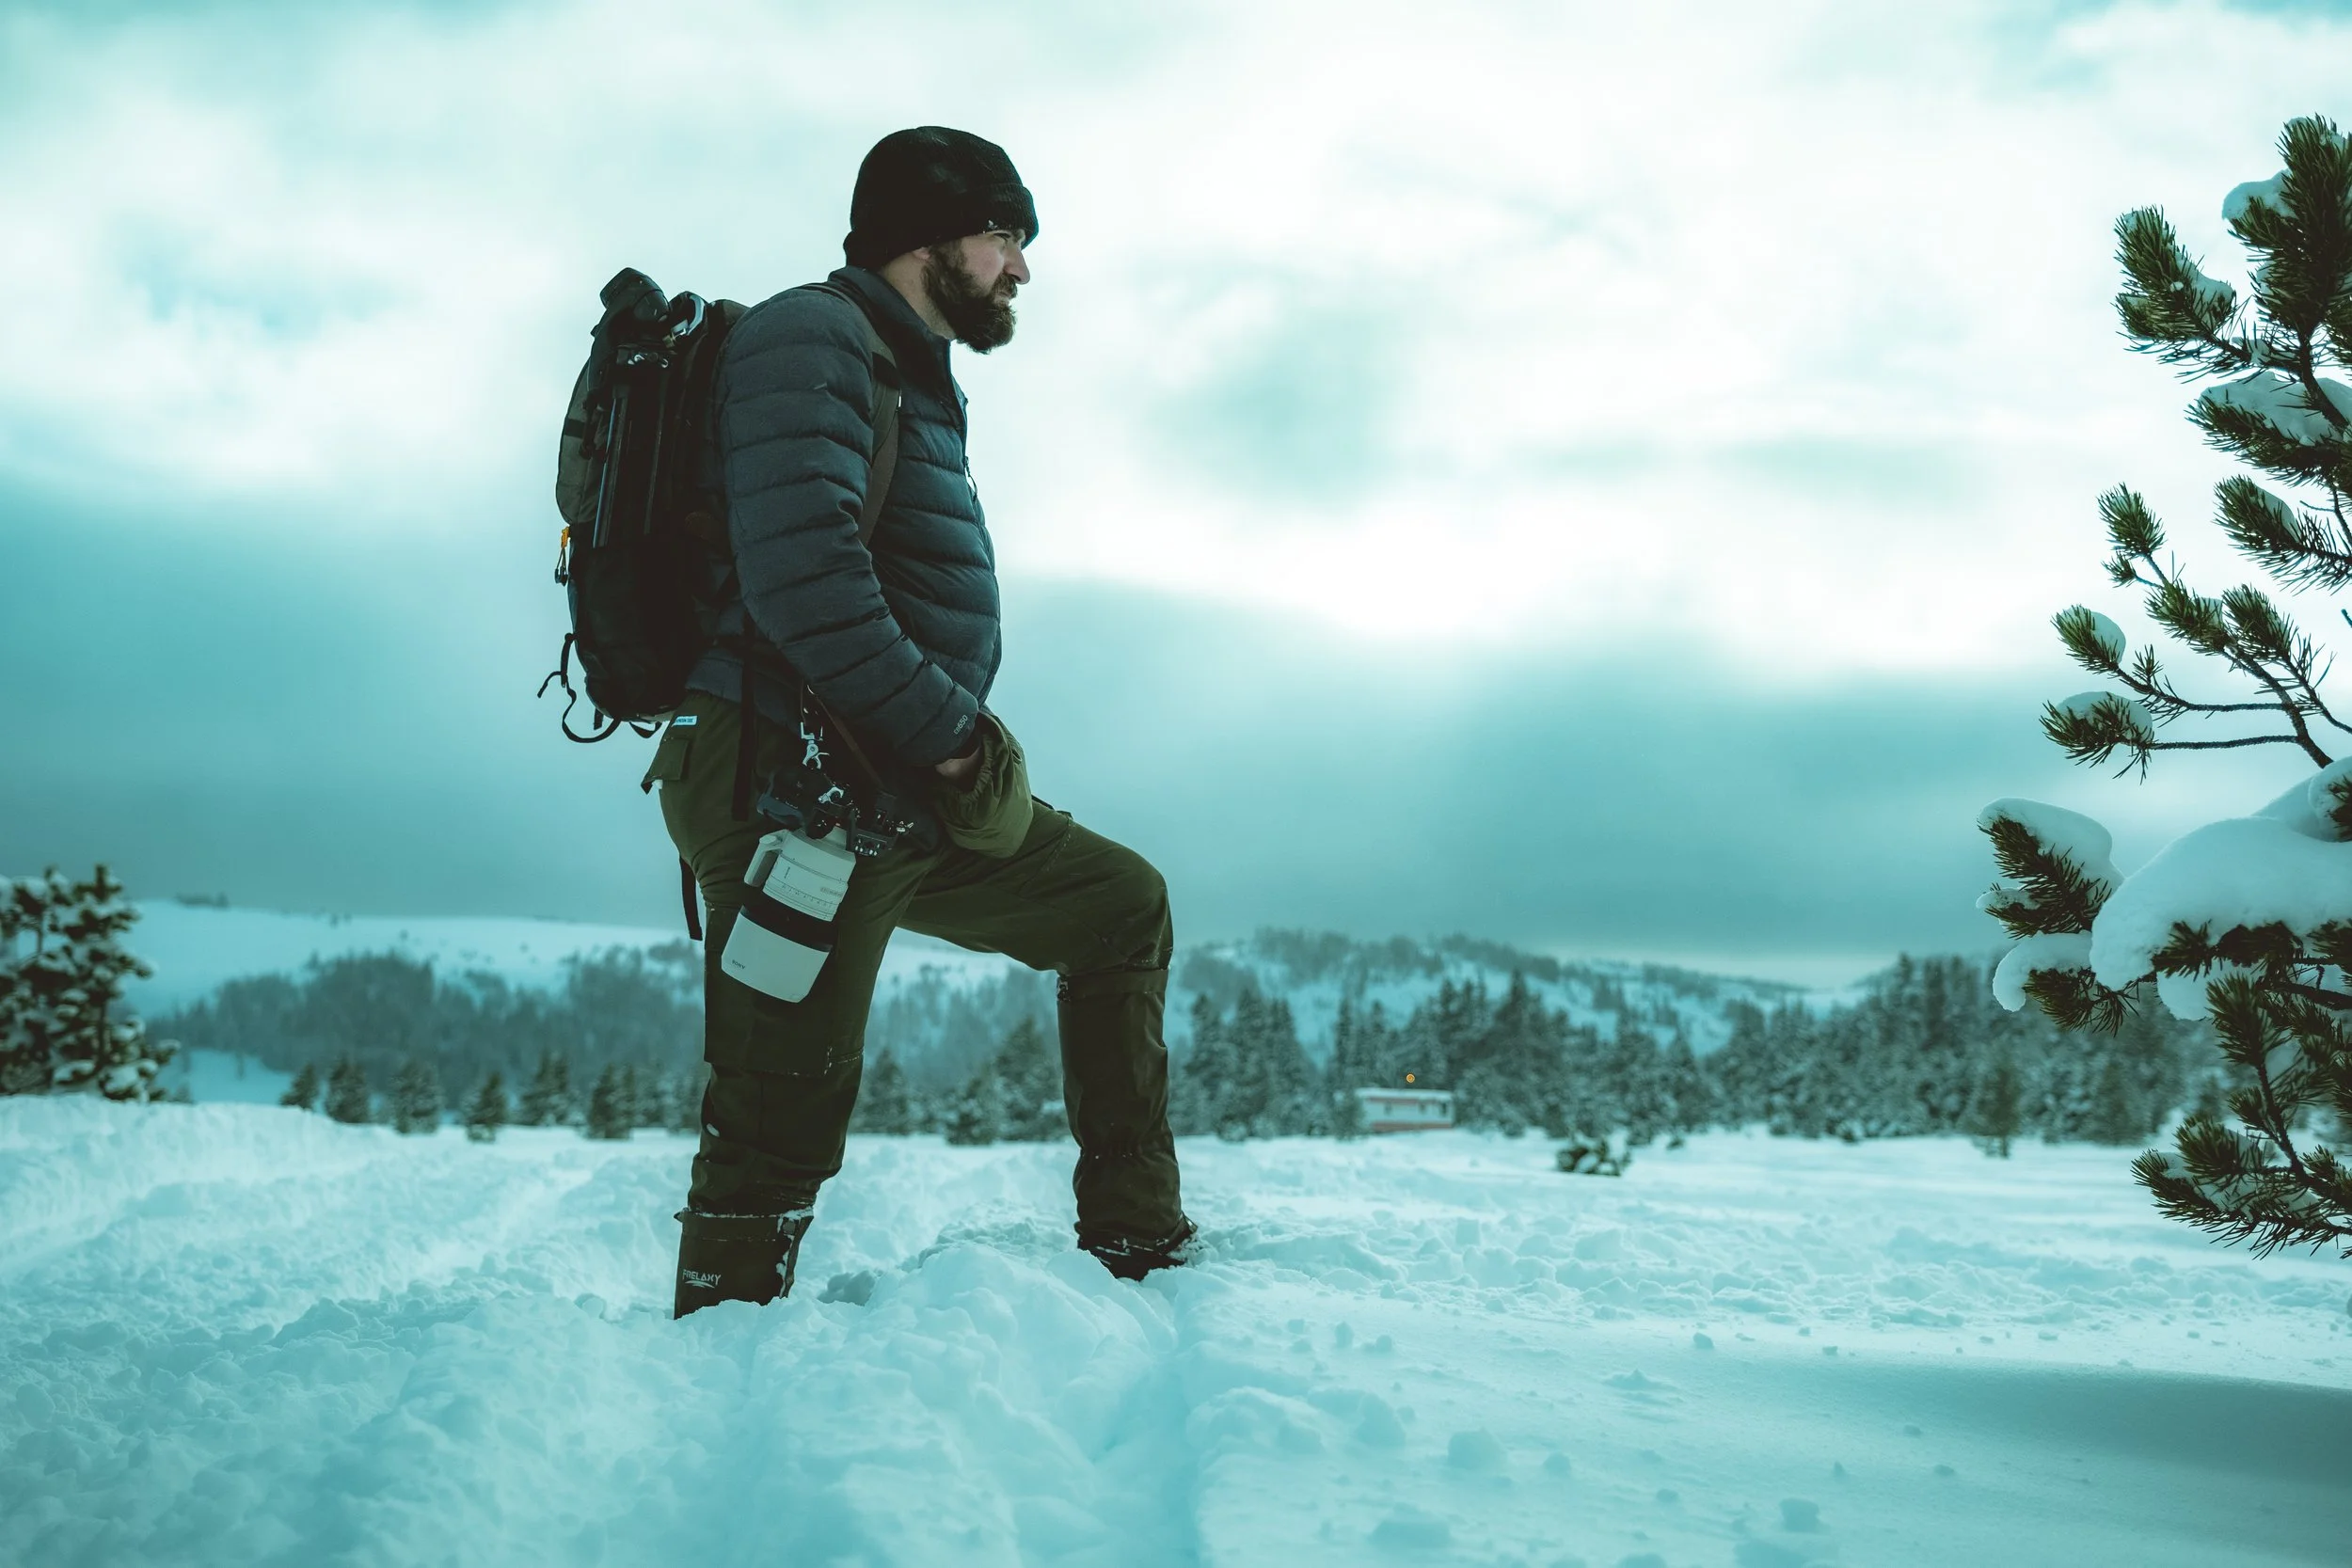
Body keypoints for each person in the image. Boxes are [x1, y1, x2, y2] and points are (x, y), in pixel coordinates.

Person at [647, 126, 1193, 1317]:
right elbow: (806, 578)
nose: (1021, 268)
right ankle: (718, 1342)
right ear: (928, 236)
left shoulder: (907, 373)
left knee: (1116, 903)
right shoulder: (813, 338)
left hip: (891, 781)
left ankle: (1140, 1247)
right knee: (782, 1097)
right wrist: (952, 737)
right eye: (1007, 236)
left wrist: (939, 752)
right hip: (787, 781)